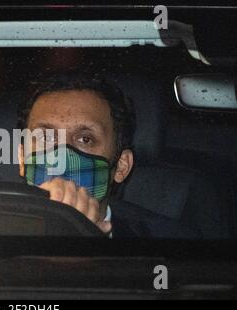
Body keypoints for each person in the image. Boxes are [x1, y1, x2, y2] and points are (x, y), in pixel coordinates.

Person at [17, 73, 197, 238]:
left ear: (121, 166)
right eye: (45, 137)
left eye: (85, 139)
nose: (62, 158)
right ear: (22, 158)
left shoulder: (171, 243)